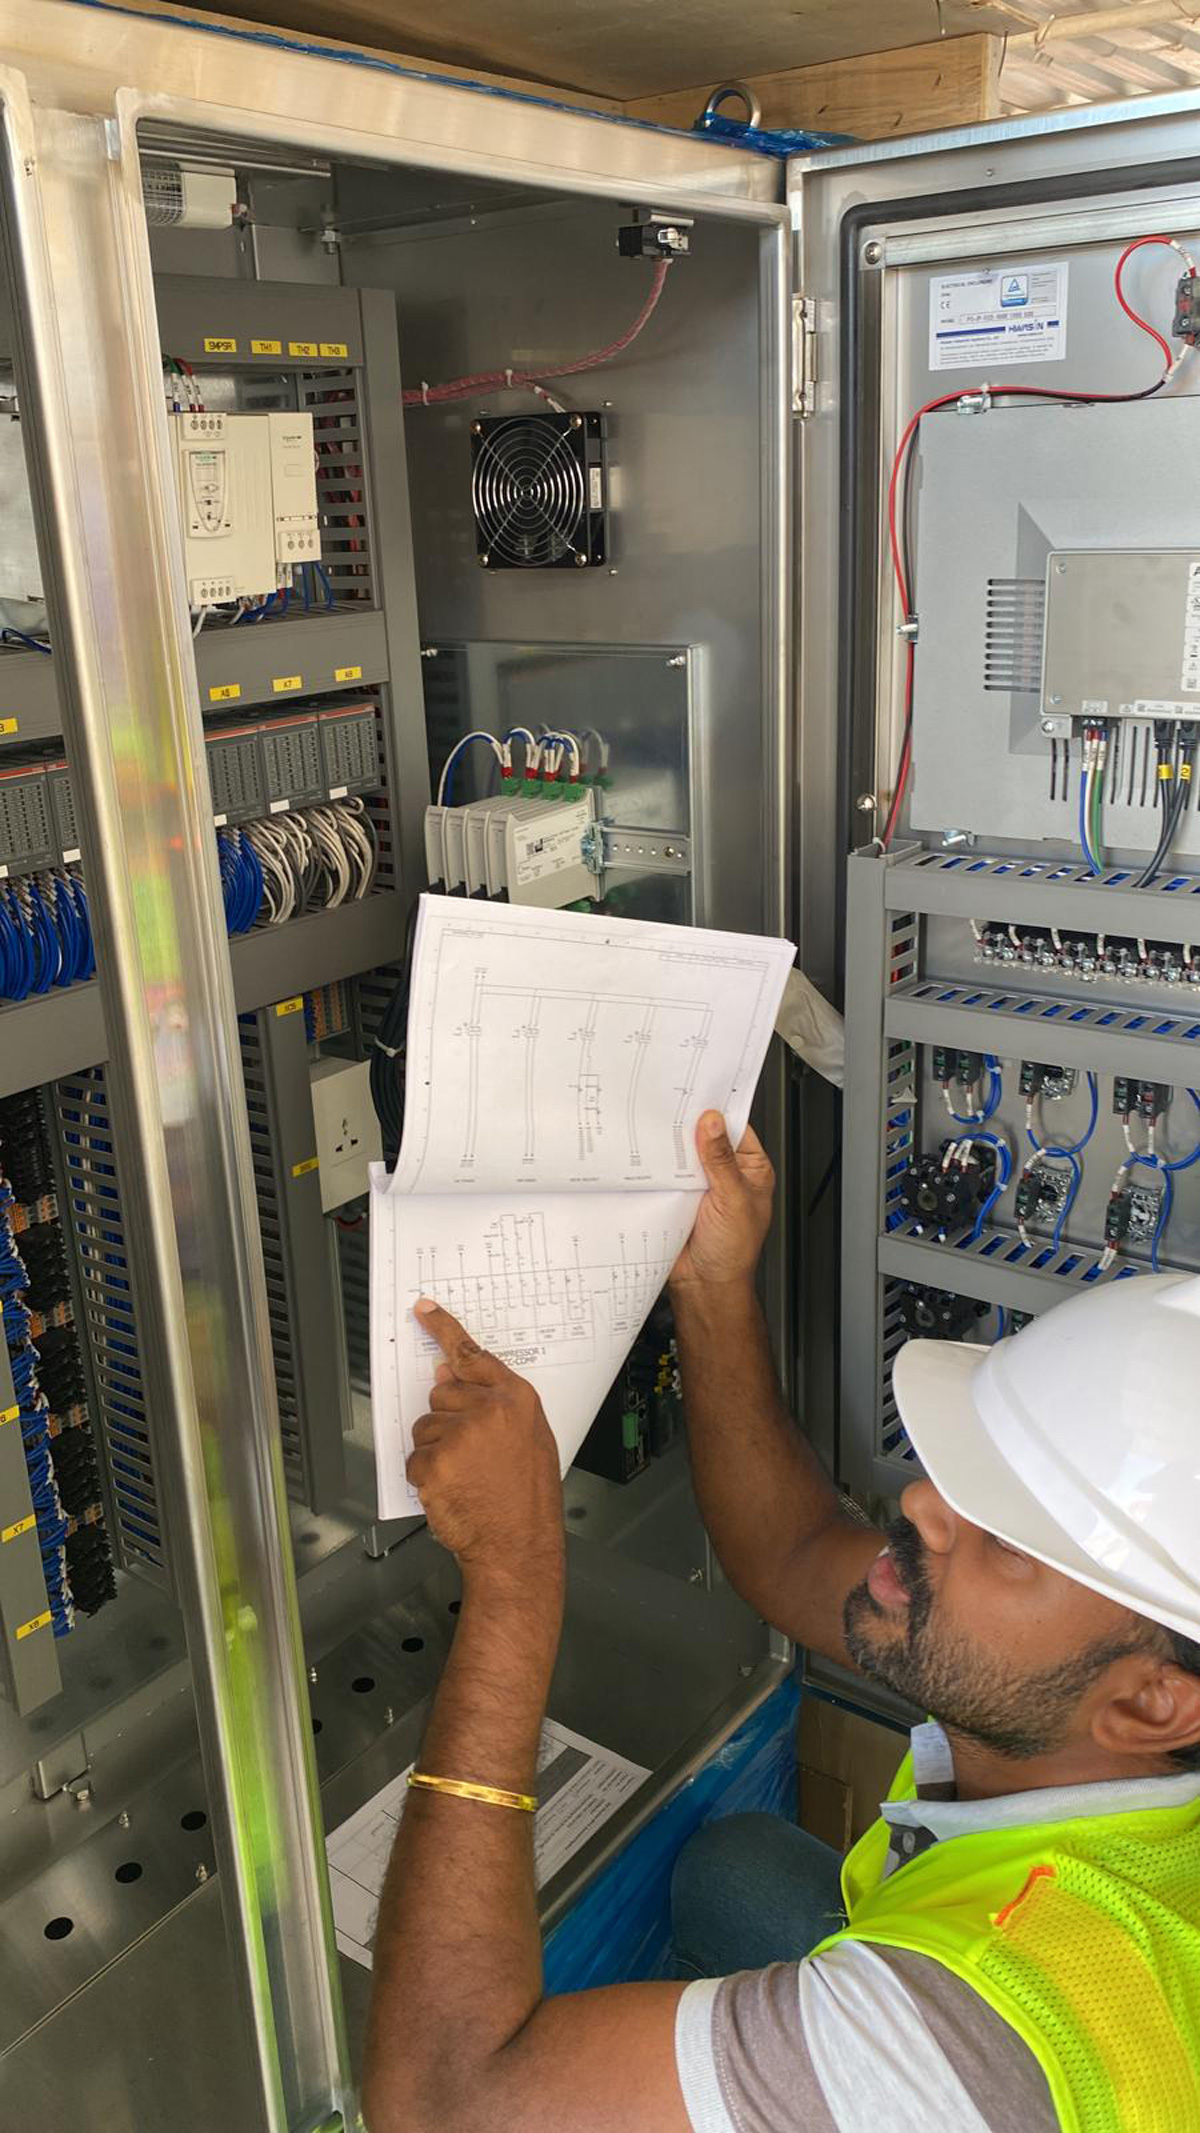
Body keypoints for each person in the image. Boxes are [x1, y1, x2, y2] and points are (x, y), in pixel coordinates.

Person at [361, 1110, 1200, 2133]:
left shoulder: (967, 2044)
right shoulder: (1091, 1712)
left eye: (1007, 1538)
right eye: (966, 1473)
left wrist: (516, 1569)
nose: (921, 1506)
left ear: (1153, 1705)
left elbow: (442, 2102)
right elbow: (796, 1551)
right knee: (737, 1873)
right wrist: (712, 1286)